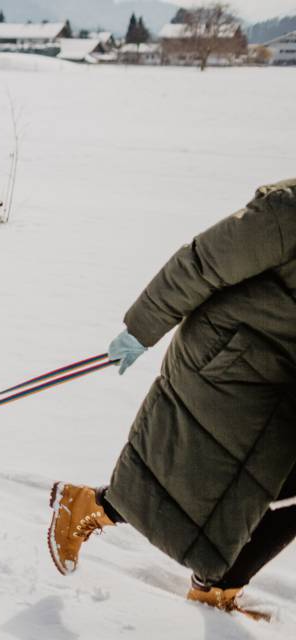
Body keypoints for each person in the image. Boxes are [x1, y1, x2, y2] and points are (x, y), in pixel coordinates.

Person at [48, 178, 296, 620]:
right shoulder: (289, 212)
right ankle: (89, 506)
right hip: (228, 359)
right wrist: (141, 329)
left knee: (282, 488)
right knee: (191, 475)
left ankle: (216, 590)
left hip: (280, 377)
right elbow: (201, 263)